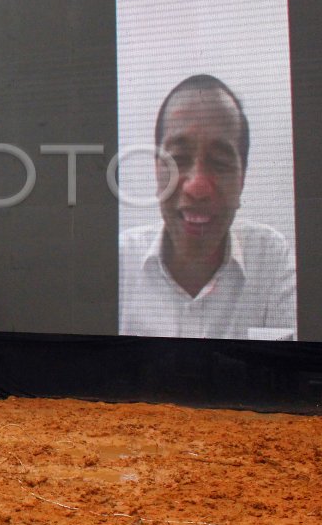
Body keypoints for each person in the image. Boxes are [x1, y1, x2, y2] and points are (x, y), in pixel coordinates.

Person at [118, 74, 297, 340]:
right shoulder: (118, 264)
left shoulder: (271, 261)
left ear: (243, 177)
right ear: (156, 169)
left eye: (220, 162)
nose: (197, 187)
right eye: (177, 159)